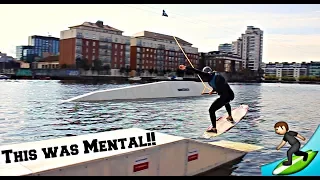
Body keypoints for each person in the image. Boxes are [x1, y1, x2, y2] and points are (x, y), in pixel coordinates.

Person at [178, 65, 235, 134]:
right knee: (225, 102)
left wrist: (186, 68)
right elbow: (218, 84)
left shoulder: (208, 75)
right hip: (230, 95)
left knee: (211, 110)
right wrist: (213, 90)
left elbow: (196, 71)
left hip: (225, 96)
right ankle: (230, 116)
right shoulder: (215, 76)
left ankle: (214, 129)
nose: (203, 77)